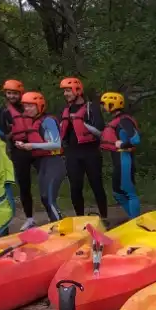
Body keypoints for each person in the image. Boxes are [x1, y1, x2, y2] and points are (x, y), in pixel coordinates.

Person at [59, 77, 108, 219]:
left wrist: (81, 122)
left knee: (96, 185)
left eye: (68, 91)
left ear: (78, 91)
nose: (65, 94)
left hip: (90, 152)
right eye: (65, 91)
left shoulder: (91, 108)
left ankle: (104, 218)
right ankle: (80, 218)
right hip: (72, 154)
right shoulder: (66, 110)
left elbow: (101, 131)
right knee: (75, 188)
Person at [14, 91, 65, 222]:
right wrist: (24, 145)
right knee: (44, 197)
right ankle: (55, 224)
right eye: (25, 106)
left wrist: (32, 146)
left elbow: (56, 144)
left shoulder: (48, 121)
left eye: (30, 106)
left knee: (49, 197)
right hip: (43, 163)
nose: (27, 109)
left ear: (39, 105)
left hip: (54, 162)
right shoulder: (35, 122)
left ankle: (60, 226)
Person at [0, 79, 37, 228]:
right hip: (18, 150)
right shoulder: (3, 111)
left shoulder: (30, 105)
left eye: (15, 93)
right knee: (24, 185)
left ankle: (53, 211)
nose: (12, 96)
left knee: (46, 182)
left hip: (36, 147)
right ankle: (30, 218)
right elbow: (1, 133)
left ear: (21, 93)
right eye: (9, 93)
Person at [99, 91, 142, 219]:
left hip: (125, 159)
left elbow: (136, 140)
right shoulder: (118, 120)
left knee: (129, 192)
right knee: (117, 192)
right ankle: (133, 219)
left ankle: (135, 222)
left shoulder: (124, 121)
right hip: (118, 160)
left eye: (105, 104)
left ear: (112, 105)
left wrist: (121, 145)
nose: (103, 107)